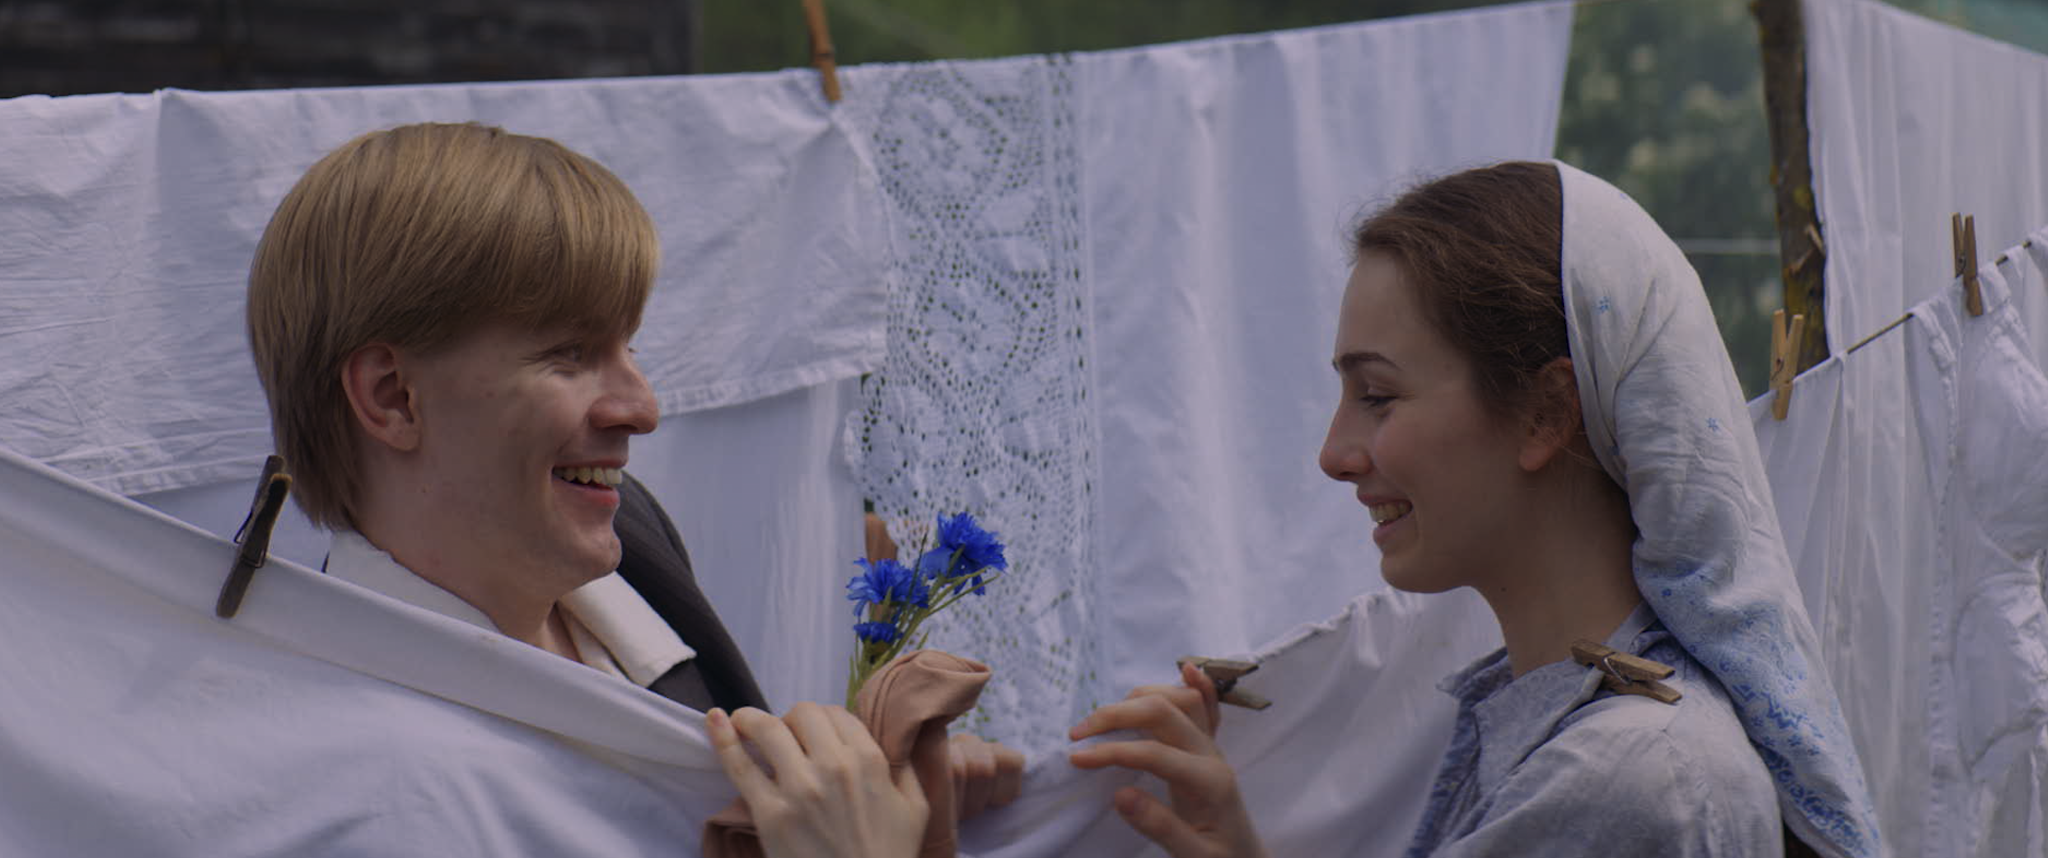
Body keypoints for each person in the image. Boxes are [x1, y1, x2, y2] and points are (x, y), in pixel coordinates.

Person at [1067, 161, 1880, 857]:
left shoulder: (1630, 779)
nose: (1333, 453)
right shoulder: (1577, 731)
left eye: (1377, 395)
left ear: (1545, 412)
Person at [246, 121, 1013, 858]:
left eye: (629, 348)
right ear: (392, 397)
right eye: (568, 354)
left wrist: (893, 813)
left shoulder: (629, 550)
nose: (642, 409)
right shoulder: (379, 803)